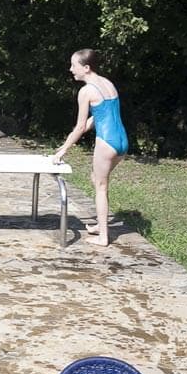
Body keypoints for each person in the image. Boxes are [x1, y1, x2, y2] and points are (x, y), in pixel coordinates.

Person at [52, 48, 129, 246]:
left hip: (106, 142)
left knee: (101, 187)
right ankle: (100, 225)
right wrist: (66, 143)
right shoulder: (107, 83)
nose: (71, 69)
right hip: (122, 142)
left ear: (86, 68)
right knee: (96, 178)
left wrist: (63, 150)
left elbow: (79, 126)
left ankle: (103, 237)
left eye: (73, 66)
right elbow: (99, 117)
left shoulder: (86, 91)